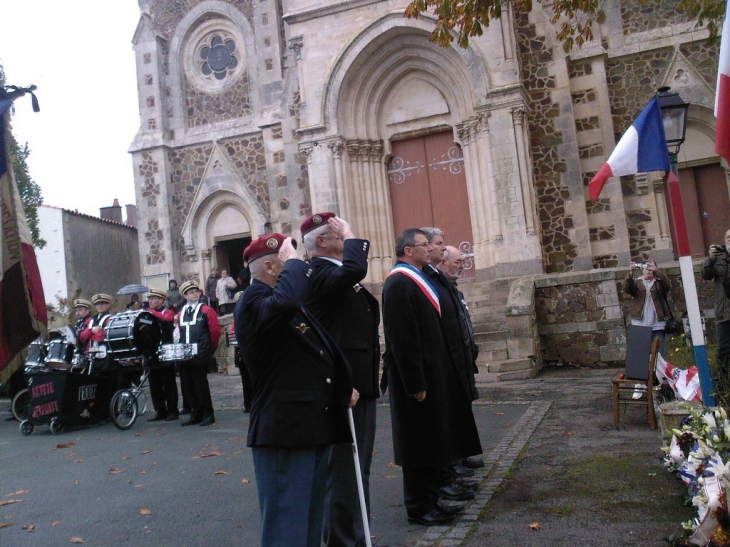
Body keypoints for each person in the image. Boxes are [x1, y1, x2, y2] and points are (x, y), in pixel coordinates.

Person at [235, 232, 358, 547]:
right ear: (272, 266)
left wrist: (341, 386)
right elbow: (287, 300)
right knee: (286, 529)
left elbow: (314, 353)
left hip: (308, 425)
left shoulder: (283, 303)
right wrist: (290, 262)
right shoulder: (253, 300)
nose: (302, 266)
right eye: (292, 261)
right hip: (282, 431)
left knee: (307, 525)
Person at [300, 212, 380, 547]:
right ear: (321, 241)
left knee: (357, 469)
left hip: (360, 381)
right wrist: (351, 234)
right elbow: (356, 267)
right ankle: (341, 541)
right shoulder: (318, 273)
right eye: (337, 234)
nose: (344, 238)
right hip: (345, 386)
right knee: (344, 471)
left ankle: (355, 537)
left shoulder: (337, 275)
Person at [382, 228, 465, 526]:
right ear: (408, 251)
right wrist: (414, 382)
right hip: (415, 381)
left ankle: (432, 500)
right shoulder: (399, 283)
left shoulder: (416, 279)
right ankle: (419, 507)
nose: (428, 248)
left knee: (432, 439)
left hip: (431, 374)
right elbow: (402, 339)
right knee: (418, 443)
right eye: (422, 244)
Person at [420, 227, 483, 503]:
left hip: (458, 354)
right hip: (443, 360)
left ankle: (454, 467)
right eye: (437, 244)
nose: (442, 248)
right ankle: (447, 474)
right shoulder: (418, 280)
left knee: (459, 410)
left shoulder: (441, 281)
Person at [175, 280, 220, 426]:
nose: (195, 294)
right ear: (185, 296)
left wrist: (208, 350)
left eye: (196, 291)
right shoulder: (181, 313)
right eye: (191, 292)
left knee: (201, 386)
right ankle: (196, 413)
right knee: (188, 387)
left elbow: (214, 332)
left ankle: (208, 414)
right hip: (184, 355)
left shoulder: (207, 310)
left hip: (199, 354)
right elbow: (179, 333)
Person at [623, 258, 671, 355]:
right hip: (640, 324)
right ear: (642, 269)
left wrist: (656, 271)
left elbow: (666, 285)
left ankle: (657, 371)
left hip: (658, 325)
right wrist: (630, 273)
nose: (648, 270)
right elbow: (627, 289)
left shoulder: (659, 282)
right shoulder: (637, 282)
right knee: (641, 356)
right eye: (646, 267)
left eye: (650, 267)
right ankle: (646, 371)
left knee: (659, 356)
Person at [145, 289, 178, 422]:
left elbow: (168, 320)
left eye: (154, 299)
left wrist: (152, 314)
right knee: (154, 384)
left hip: (165, 351)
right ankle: (160, 410)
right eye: (150, 299)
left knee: (168, 383)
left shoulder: (167, 312)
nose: (151, 301)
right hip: (152, 353)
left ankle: (172, 410)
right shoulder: (146, 314)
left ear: (161, 301)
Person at [702, 229, 730, 373]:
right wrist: (711, 258)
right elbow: (705, 274)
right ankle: (723, 386)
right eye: (727, 237)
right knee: (723, 351)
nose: (729, 240)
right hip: (723, 311)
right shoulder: (718, 258)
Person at [231, 290, 252, 413]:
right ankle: (248, 403)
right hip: (241, 350)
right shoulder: (236, 317)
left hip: (250, 349)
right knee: (245, 378)